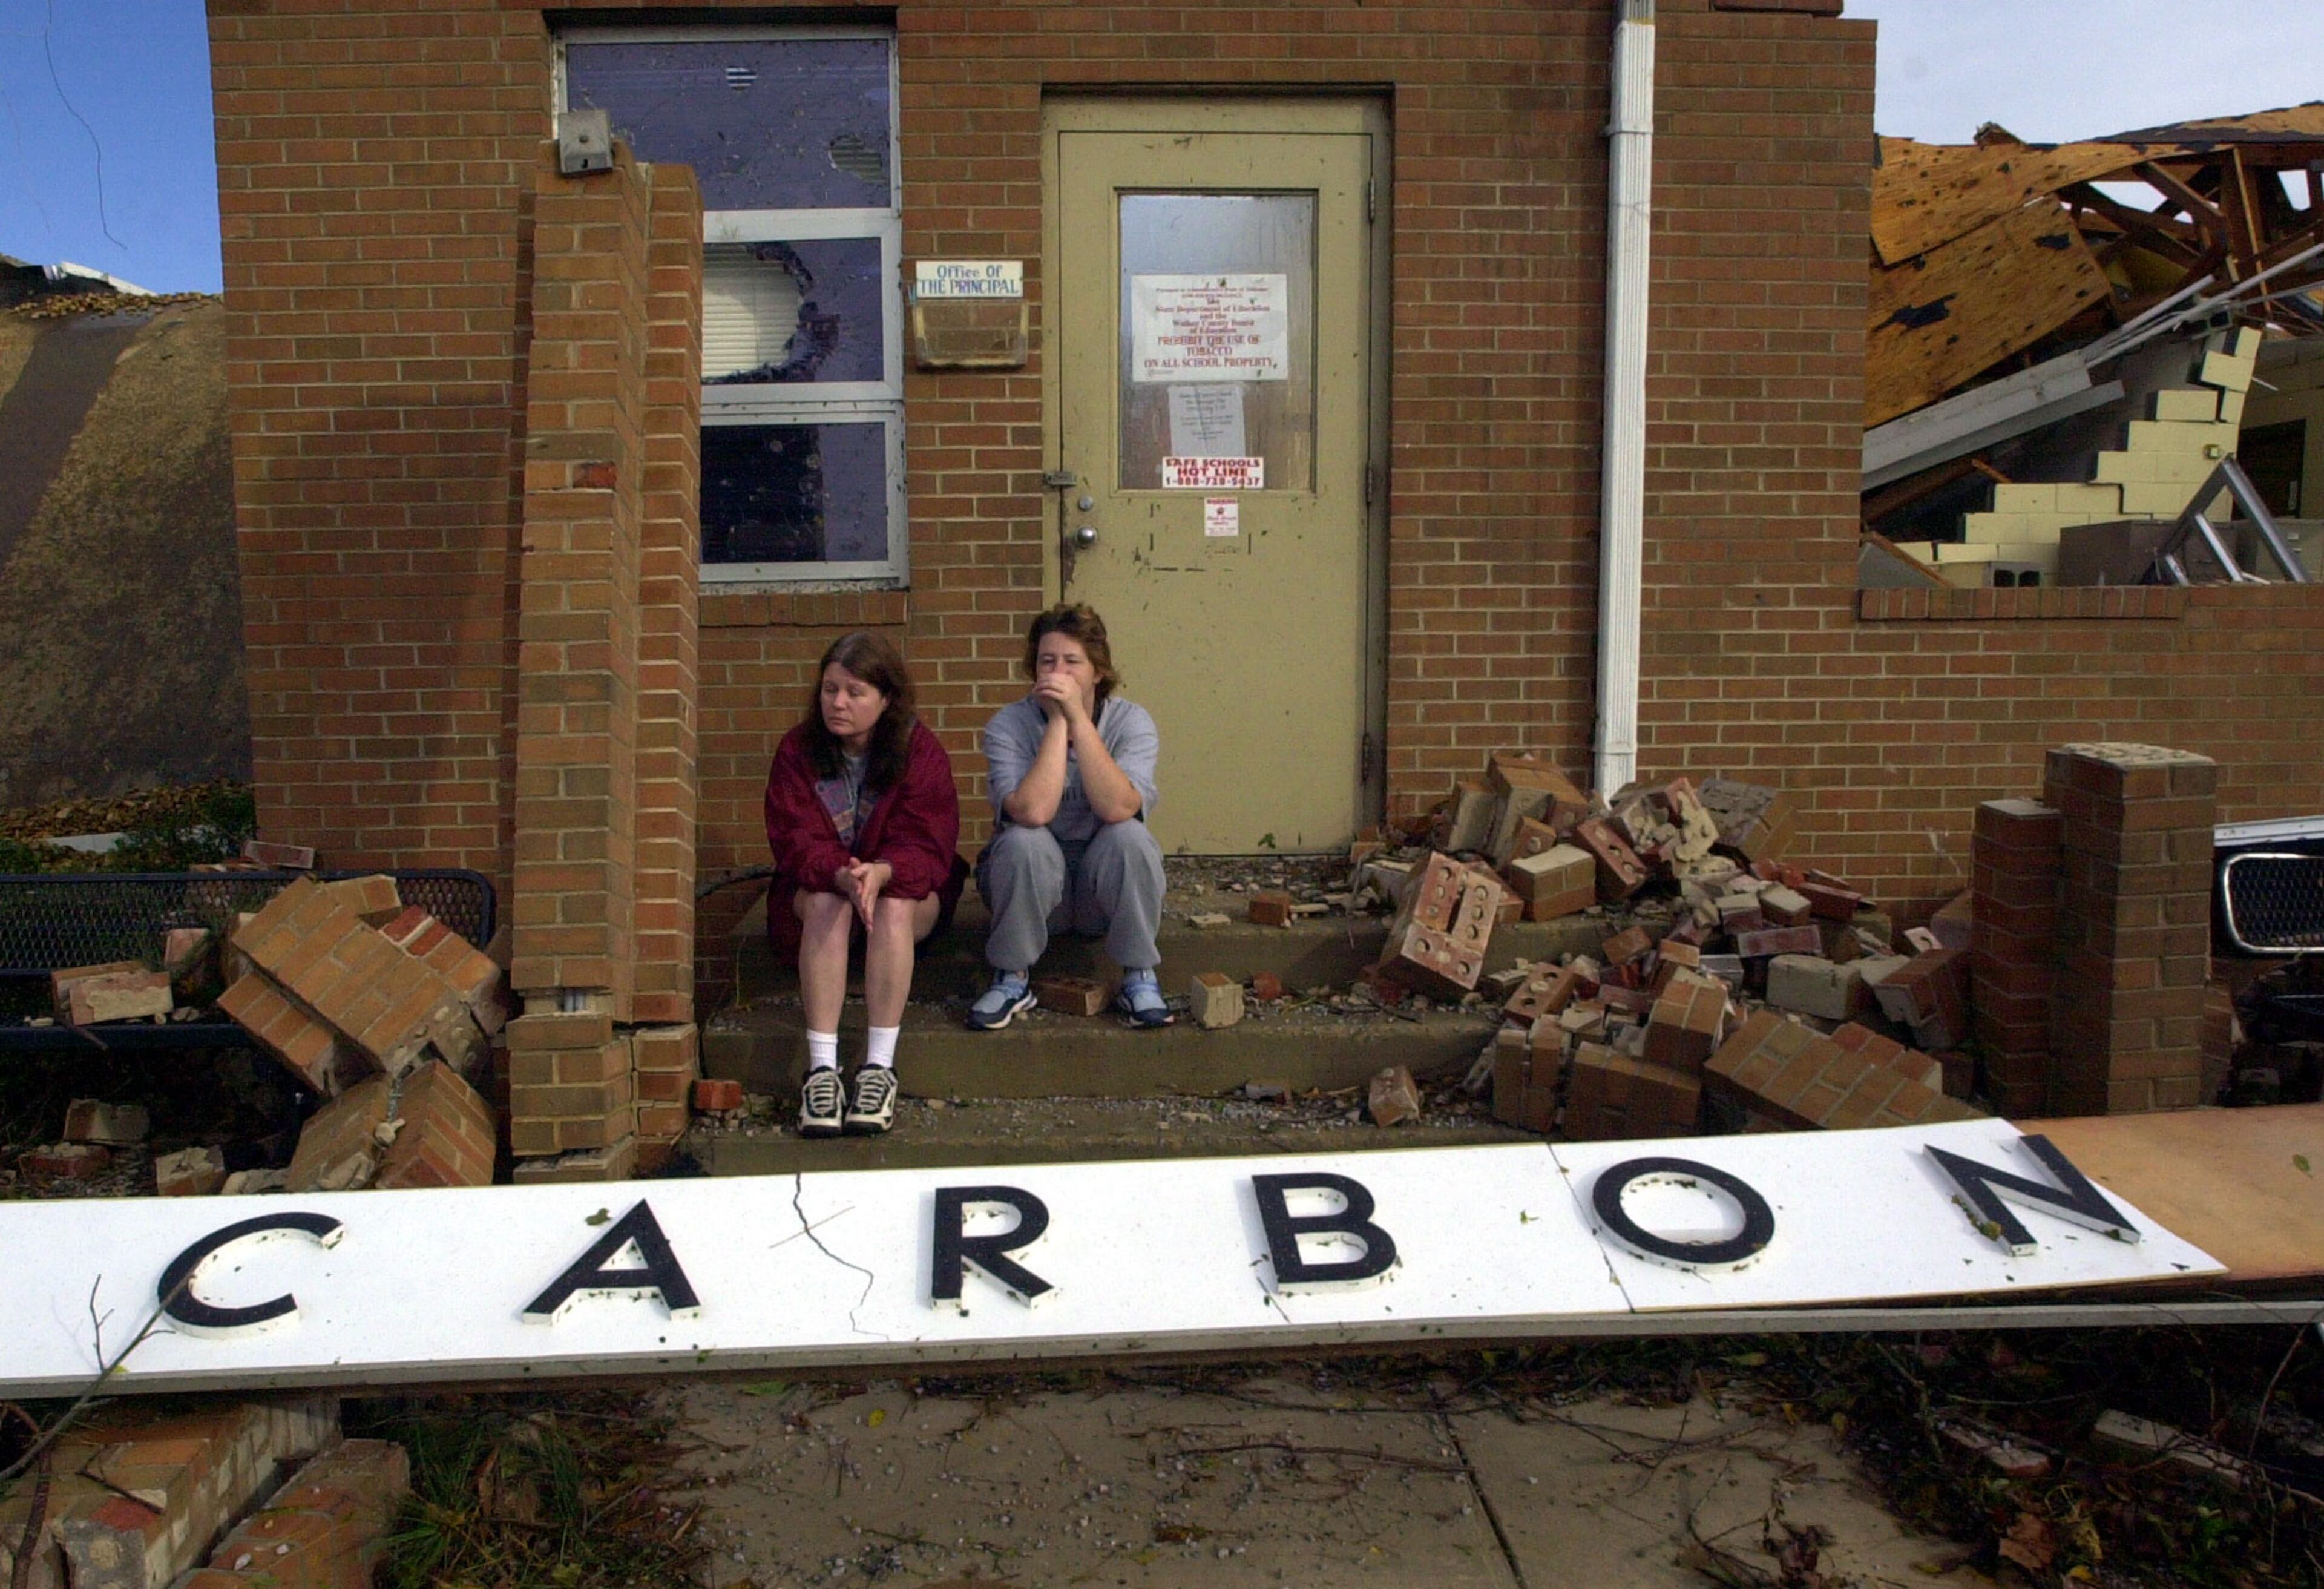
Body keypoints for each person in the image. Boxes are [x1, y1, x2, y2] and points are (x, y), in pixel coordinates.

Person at [763, 633, 967, 1136]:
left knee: (895, 906)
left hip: (899, 893)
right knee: (831, 904)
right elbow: (793, 839)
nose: (838, 703)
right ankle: (823, 1070)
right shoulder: (798, 749)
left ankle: (878, 1066)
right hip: (827, 891)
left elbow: (929, 843)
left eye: (855, 692)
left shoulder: (919, 750)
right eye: (830, 689)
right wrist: (842, 874)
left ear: (886, 698)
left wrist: (882, 872)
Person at [970, 603, 1169, 1030]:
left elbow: (1118, 807)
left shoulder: (1132, 723)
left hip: (1102, 894)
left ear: (1097, 671)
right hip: (1036, 894)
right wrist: (1060, 724)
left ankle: (1137, 975)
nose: (1057, 672)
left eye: (1072, 661)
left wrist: (1079, 719)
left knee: (1130, 837)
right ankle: (1011, 976)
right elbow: (1033, 811)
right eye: (1047, 661)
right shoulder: (1009, 725)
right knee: (1023, 839)